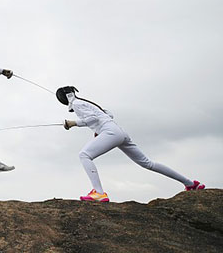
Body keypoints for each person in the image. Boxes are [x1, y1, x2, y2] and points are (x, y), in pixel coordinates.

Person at [56, 86, 205, 202]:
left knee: (84, 155)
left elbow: (93, 119)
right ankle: (190, 183)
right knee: (148, 163)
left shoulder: (77, 104)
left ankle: (99, 193)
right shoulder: (86, 102)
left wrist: (73, 123)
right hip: (119, 132)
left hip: (111, 132)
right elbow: (108, 115)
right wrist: (99, 130)